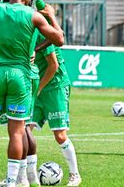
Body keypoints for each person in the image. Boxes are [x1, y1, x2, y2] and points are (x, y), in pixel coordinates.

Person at [0, 0, 64, 187]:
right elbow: (59, 39)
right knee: (16, 130)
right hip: (19, 77)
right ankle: (12, 182)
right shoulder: (32, 15)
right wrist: (50, 16)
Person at [29, 29, 81, 186]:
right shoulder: (22, 29)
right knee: (24, 131)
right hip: (38, 87)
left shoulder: (41, 32)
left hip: (55, 88)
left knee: (60, 135)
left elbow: (53, 65)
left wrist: (38, 89)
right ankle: (21, 177)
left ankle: (75, 175)